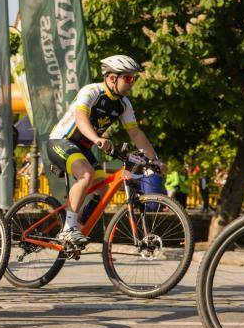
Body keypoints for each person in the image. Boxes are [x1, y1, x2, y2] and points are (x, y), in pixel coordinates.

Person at [47, 55, 164, 247]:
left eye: (133, 78)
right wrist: (97, 139)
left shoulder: (123, 104)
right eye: (128, 78)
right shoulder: (91, 91)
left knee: (102, 188)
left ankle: (79, 226)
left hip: (83, 149)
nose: (132, 83)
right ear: (111, 78)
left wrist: (155, 159)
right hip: (61, 141)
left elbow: (135, 133)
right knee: (86, 174)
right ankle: (68, 229)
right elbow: (81, 118)